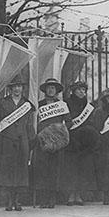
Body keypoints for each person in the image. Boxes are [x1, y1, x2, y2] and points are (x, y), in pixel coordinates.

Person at [0, 77, 33, 211]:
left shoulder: (27, 104)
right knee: (8, 171)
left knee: (21, 171)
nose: (17, 89)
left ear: (22, 88)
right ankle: (9, 201)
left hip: (22, 140)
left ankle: (17, 201)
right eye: (14, 86)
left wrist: (31, 140)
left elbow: (29, 124)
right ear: (10, 89)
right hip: (6, 140)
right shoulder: (2, 103)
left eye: (19, 86)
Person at [31, 78, 68, 209]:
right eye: (49, 87)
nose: (51, 90)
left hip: (56, 142)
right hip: (41, 141)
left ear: (57, 90)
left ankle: (52, 198)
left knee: (54, 170)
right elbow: (34, 122)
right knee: (42, 170)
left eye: (53, 87)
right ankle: (43, 198)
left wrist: (59, 133)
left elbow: (68, 122)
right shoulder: (38, 105)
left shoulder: (62, 105)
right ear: (45, 90)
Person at [59, 80, 96, 206]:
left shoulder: (88, 106)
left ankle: (79, 195)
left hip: (84, 141)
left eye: (84, 90)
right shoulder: (67, 103)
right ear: (73, 91)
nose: (82, 92)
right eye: (79, 90)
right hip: (71, 138)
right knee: (71, 168)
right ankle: (70, 195)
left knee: (82, 169)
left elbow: (90, 121)